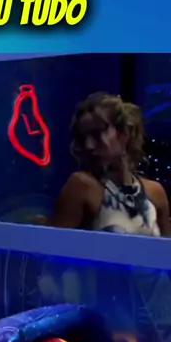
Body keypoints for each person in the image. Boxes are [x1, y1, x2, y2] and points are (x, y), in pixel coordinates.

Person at [53, 92, 170, 236]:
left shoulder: (155, 192)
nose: (88, 145)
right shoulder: (81, 186)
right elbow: (52, 246)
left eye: (96, 134)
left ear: (123, 134)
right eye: (82, 138)